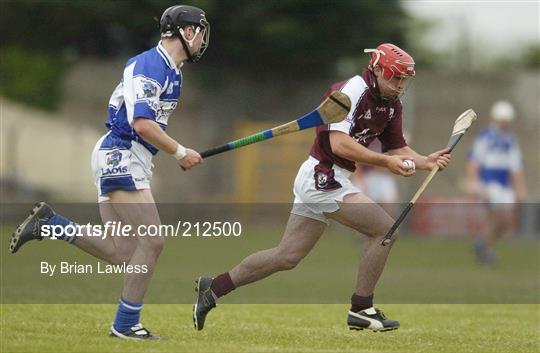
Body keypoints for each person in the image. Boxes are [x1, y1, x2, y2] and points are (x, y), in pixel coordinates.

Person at [193, 43, 451, 332]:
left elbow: (397, 147)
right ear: (377, 69)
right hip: (322, 176)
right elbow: (338, 144)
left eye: (404, 78)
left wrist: (425, 162)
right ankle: (362, 308)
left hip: (331, 177)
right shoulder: (348, 93)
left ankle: (213, 288)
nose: (400, 84)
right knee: (385, 231)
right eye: (395, 77)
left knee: (286, 256)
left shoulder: (392, 104)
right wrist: (385, 163)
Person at [9, 5, 210, 340]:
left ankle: (51, 224)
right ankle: (126, 324)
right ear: (187, 32)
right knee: (154, 240)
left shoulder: (173, 72)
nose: (204, 40)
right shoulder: (151, 65)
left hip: (127, 156)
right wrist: (179, 151)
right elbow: (142, 123)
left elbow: (149, 127)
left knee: (124, 252)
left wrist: (176, 151)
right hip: (121, 153)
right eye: (201, 32)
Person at [466, 100, 526, 264]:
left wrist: (520, 189)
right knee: (493, 217)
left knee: (507, 222)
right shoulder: (486, 136)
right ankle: (486, 251)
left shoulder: (511, 140)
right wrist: (472, 183)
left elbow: (516, 167)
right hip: (488, 183)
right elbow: (474, 161)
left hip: (504, 185)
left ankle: (482, 242)